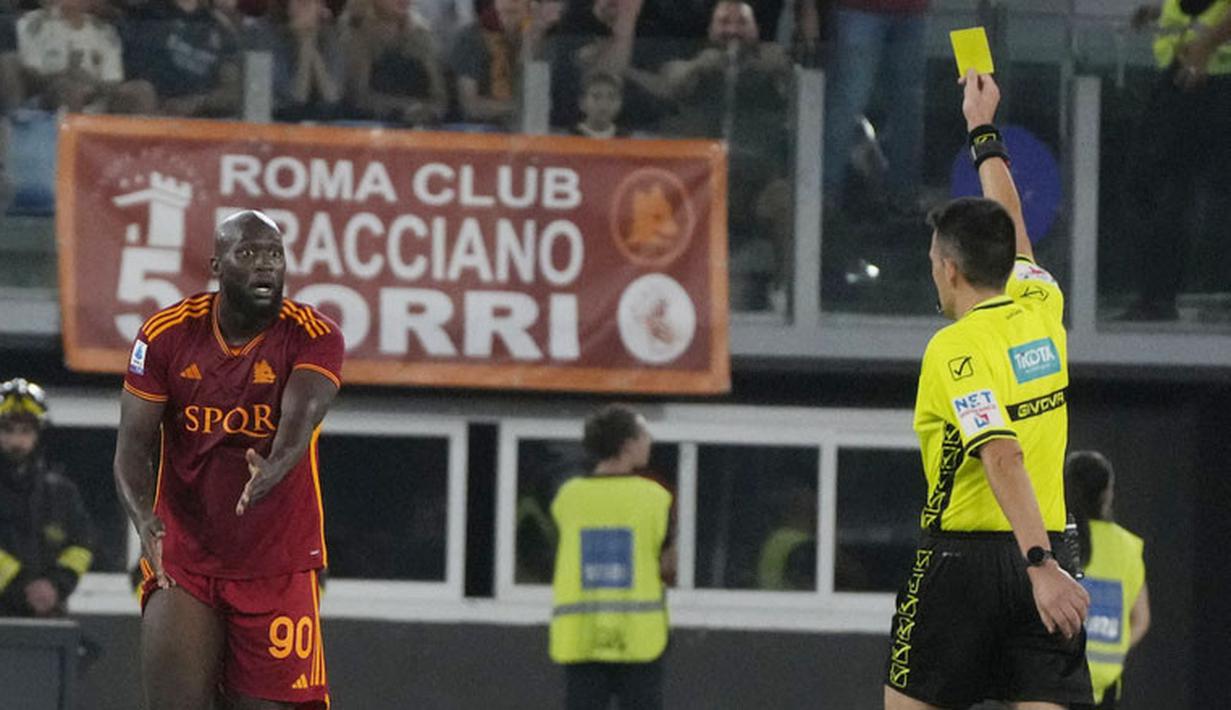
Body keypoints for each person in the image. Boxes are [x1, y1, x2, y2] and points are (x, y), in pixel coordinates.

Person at [883, 71, 1093, 709]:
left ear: (948, 269)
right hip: (1053, 545)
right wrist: (983, 131)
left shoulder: (954, 347)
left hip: (965, 558)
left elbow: (1000, 452)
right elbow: (1014, 228)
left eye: (932, 264)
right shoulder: (1041, 302)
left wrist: (1034, 564)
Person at [113, 210, 345, 710]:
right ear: (218, 265)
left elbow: (301, 418)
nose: (265, 265)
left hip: (276, 563)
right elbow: (133, 446)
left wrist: (277, 465)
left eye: (274, 255)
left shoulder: (313, 334)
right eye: (248, 254)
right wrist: (143, 518)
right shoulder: (166, 335)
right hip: (186, 553)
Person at [550, 405, 674, 710]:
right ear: (627, 444)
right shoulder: (655, 497)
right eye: (644, 434)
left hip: (583, 639)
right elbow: (668, 563)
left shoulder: (568, 496)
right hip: (639, 641)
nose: (649, 442)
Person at [1119, 0, 1231, 320]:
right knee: (1157, 186)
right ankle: (1158, 297)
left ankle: (1160, 297)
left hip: (1213, 80)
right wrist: (1159, 11)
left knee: (1174, 189)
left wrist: (1205, 48)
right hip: (1185, 76)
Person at [822, 0, 929, 215]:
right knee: (847, 100)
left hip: (914, 10)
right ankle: (825, 193)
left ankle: (904, 194)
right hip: (859, 8)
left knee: (908, 106)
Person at [0, 378, 95, 618]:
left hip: (48, 619)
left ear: (38, 434)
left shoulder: (61, 493)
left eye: (25, 431)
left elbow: (81, 546)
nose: (16, 441)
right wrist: (22, 587)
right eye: (8, 431)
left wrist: (56, 585)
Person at [1065, 451, 1150, 709]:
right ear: (1107, 493)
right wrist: (1113, 648)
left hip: (1056, 678)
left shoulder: (1055, 538)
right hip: (1106, 684)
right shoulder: (1127, 546)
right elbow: (1140, 619)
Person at [15, 0, 156, 113]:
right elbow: (31, 75)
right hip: (51, 96)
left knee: (142, 90)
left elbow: (113, 79)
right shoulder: (32, 24)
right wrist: (68, 76)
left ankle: (136, 147)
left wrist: (92, 88)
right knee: (69, 89)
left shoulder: (105, 31)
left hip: (97, 95)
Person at [449, 0, 562, 126]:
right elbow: (470, 106)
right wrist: (517, 107)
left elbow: (539, 96)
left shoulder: (544, 38)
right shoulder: (472, 36)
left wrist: (530, 44)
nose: (510, 3)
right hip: (479, 128)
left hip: (530, 128)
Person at [120, 0, 241, 117]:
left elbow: (232, 93)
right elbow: (135, 81)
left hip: (201, 125)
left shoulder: (220, 28)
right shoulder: (145, 15)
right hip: (152, 121)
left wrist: (196, 103)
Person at [340, 0, 448, 126]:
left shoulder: (421, 35)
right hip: (368, 126)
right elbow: (359, 96)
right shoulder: (356, 32)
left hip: (421, 129)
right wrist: (405, 108)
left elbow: (440, 98)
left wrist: (428, 112)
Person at [569, 69, 625, 137]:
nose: (604, 104)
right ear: (582, 103)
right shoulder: (569, 137)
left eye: (611, 98)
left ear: (620, 103)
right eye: (596, 97)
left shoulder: (626, 139)